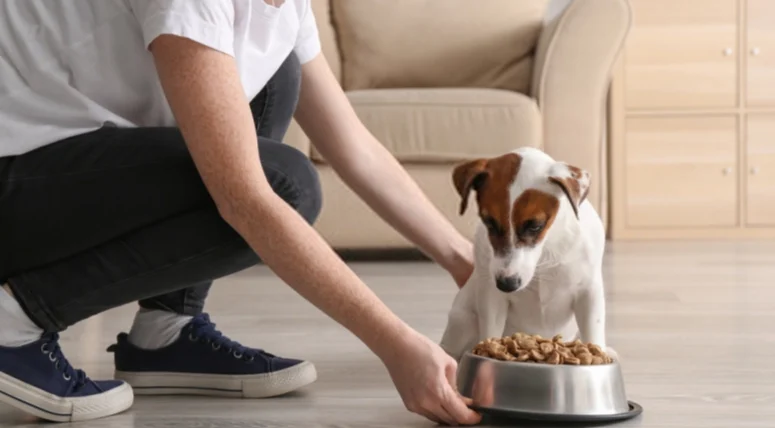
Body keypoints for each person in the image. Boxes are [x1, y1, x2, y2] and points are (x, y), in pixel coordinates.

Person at [0, 0, 482, 425]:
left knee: (278, 70)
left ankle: (167, 331)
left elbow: (355, 148)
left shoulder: (285, 7)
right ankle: (12, 322)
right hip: (14, 172)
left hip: (58, 160)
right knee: (286, 186)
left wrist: (464, 259)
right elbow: (244, 200)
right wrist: (395, 345)